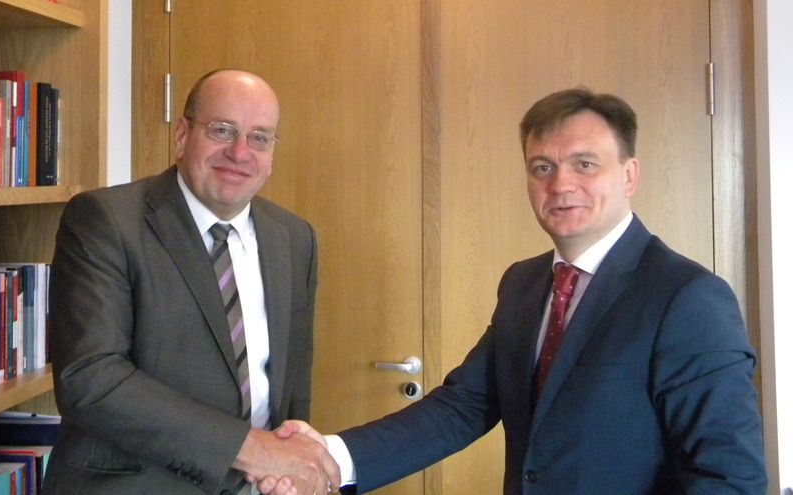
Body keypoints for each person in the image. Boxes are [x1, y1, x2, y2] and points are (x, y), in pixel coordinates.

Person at [267, 88, 767, 494]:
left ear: (629, 175)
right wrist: (330, 457)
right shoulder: (524, 285)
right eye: (542, 167)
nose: (561, 184)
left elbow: (728, 476)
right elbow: (464, 406)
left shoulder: (687, 298)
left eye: (585, 164)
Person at [43, 69, 339, 495]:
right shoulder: (105, 220)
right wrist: (252, 450)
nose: (240, 152)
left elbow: (292, 384)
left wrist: (288, 464)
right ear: (182, 135)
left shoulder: (294, 237)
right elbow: (91, 379)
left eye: (259, 138)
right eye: (222, 130)